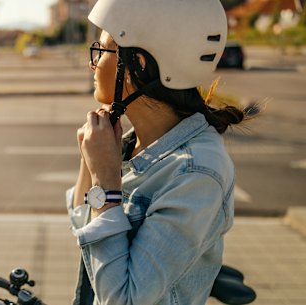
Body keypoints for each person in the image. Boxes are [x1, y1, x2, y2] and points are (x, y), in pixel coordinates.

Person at [65, 0, 248, 304]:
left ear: (137, 64)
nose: (93, 63)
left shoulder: (195, 173)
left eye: (103, 49)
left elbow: (122, 299)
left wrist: (105, 183)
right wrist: (91, 161)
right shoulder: (132, 142)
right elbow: (82, 223)